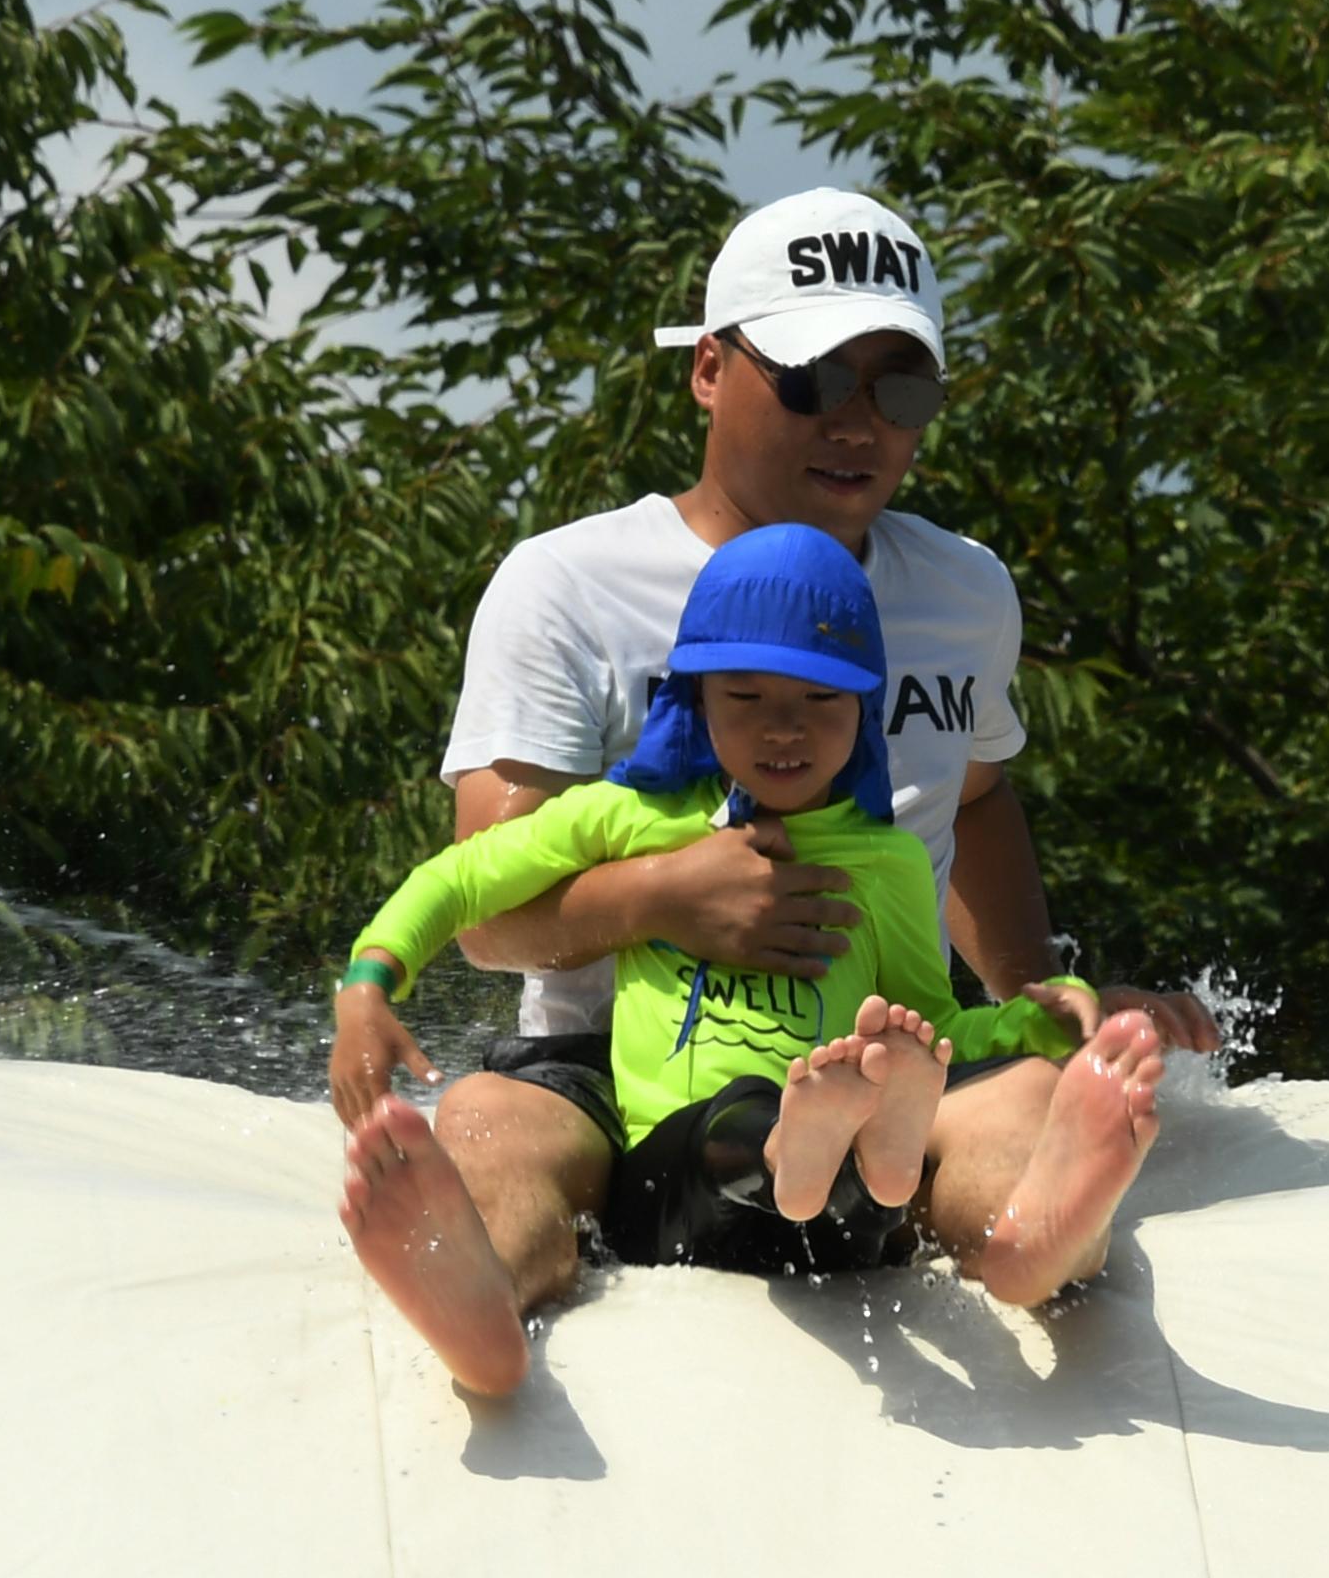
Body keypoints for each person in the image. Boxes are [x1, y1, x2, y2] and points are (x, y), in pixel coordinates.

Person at [326, 188, 1205, 1393]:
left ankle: (1034, 1235)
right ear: (707, 369)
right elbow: (486, 906)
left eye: (902, 390)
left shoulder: (964, 592)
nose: (860, 422)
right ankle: (475, 1287)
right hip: (604, 1053)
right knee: (487, 1128)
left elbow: (978, 799)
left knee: (1018, 1106)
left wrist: (1040, 997)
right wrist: (668, 895)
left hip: (884, 1039)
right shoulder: (568, 584)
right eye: (813, 378)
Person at [331, 528, 1096, 1385]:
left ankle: (927, 1177)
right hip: (679, 1178)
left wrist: (1035, 1018)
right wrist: (369, 981)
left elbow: (937, 1017)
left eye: (821, 699)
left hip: (840, 1217)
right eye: (745, 696)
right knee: (744, 1114)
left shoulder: (888, 864)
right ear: (694, 697)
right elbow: (465, 879)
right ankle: (484, 1302)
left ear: (866, 710)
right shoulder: (634, 818)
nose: (785, 728)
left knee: (895, 1070)